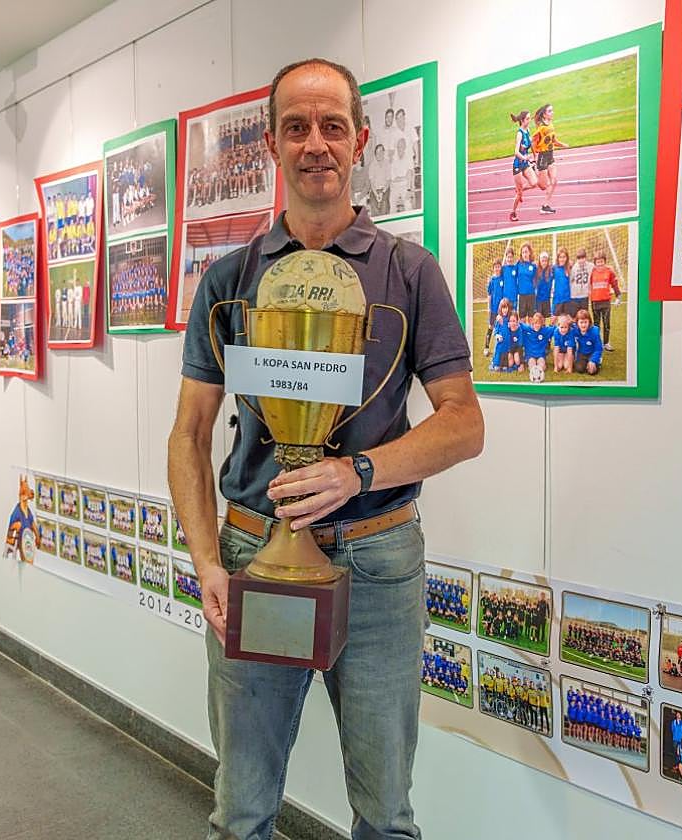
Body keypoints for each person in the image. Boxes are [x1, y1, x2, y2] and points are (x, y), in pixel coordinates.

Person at [168, 57, 484, 840]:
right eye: (297, 127)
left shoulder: (409, 273)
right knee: (241, 810)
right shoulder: (228, 280)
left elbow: (463, 422)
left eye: (332, 126)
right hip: (251, 555)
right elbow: (190, 434)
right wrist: (208, 562)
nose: (316, 144)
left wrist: (358, 472)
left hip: (378, 559)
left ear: (361, 140)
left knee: (384, 816)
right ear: (273, 144)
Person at [531, 104, 567, 215]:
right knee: (543, 186)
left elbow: (554, 140)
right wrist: (535, 156)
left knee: (554, 181)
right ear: (544, 114)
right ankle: (533, 170)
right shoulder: (541, 128)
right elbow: (533, 141)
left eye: (552, 110)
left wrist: (563, 145)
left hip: (550, 155)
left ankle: (545, 206)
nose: (553, 113)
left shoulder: (551, 125)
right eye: (550, 111)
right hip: (542, 156)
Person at [509, 111, 539, 222]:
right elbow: (516, 152)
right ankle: (513, 212)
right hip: (518, 165)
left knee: (534, 183)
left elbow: (530, 144)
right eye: (527, 118)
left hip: (525, 163)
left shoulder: (528, 131)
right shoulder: (519, 134)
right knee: (520, 194)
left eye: (529, 118)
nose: (529, 120)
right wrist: (525, 157)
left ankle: (518, 190)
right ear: (522, 120)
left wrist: (535, 155)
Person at [587, 252, 620, 352]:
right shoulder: (592, 272)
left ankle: (606, 343)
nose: (600, 264)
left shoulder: (609, 271)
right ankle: (597, 343)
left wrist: (618, 296)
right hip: (595, 302)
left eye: (602, 262)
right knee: (596, 324)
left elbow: (614, 284)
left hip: (606, 301)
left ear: (605, 262)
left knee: (606, 323)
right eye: (598, 262)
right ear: (595, 263)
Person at [573, 309, 604, 376]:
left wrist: (593, 360)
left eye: (585, 322)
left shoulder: (594, 331)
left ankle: (597, 361)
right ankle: (586, 363)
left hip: (592, 353)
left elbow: (599, 348)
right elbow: (566, 325)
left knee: (592, 372)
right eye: (581, 322)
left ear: (589, 322)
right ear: (577, 323)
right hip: (582, 353)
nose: (583, 325)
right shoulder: (575, 330)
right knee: (579, 369)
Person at [515, 243, 537, 319]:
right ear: (521, 253)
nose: (525, 254)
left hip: (531, 295)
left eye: (526, 252)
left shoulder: (533, 265)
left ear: (529, 253)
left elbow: (536, 280)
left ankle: (530, 331)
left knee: (531, 319)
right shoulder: (518, 264)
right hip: (522, 295)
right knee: (522, 319)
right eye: (523, 252)